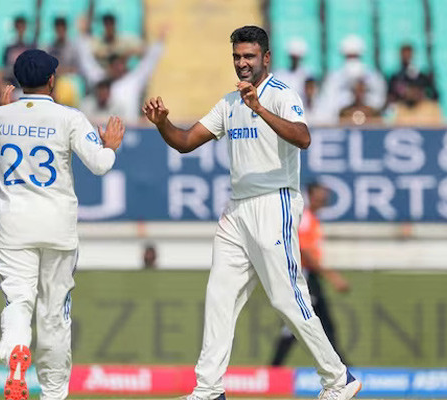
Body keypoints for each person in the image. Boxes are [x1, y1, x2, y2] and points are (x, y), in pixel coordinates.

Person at [143, 25, 361, 400]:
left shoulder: (280, 95)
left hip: (273, 203)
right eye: (237, 57)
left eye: (249, 57)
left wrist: (258, 107)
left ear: (266, 58)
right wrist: (163, 123)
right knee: (219, 295)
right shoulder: (229, 102)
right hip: (237, 208)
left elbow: (303, 137)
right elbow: (184, 142)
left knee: (286, 298)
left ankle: (338, 378)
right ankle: (209, 388)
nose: (242, 64)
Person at [0, 49, 125, 400]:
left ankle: (15, 353)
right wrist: (111, 146)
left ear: (19, 81)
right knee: (55, 314)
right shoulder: (68, 117)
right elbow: (100, 165)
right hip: (57, 227)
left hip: (13, 227)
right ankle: (53, 394)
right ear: (53, 81)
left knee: (18, 301)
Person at [270, 182, 350, 366]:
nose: (324, 198)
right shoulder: (305, 217)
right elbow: (304, 250)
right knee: (297, 324)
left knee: (325, 324)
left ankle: (342, 366)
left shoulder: (312, 219)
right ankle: (273, 369)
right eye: (320, 194)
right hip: (303, 276)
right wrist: (333, 277)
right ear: (311, 195)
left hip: (310, 276)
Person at [319, 35, 386, 118]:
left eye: (355, 56)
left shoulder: (373, 76)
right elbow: (328, 104)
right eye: (349, 56)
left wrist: (362, 107)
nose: (352, 60)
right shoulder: (334, 78)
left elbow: (379, 101)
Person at [3, 16, 35, 84]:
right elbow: (5, 66)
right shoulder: (9, 47)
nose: (20, 30)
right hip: (12, 82)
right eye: (18, 27)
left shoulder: (31, 46)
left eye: (22, 27)